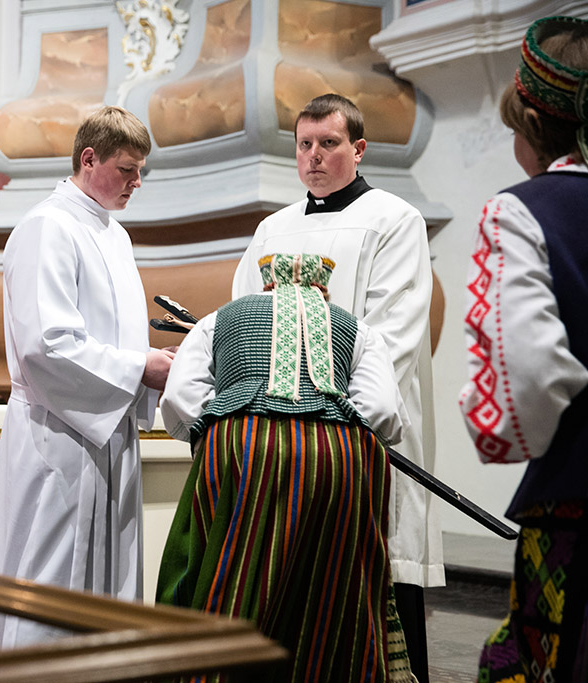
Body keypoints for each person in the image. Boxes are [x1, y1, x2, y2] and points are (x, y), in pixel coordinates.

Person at [230, 93, 441, 682]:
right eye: (305, 145)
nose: (314, 156)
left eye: (329, 143)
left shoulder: (394, 220)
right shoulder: (272, 229)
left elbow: (391, 336)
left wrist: (324, 406)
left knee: (372, 579)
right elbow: (243, 320)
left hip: (358, 434)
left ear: (359, 148)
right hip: (281, 441)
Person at [157, 253, 414, 682]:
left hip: (241, 446)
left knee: (229, 573)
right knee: (332, 585)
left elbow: (181, 399)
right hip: (335, 455)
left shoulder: (219, 319)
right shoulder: (357, 328)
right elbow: (383, 411)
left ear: (267, 282)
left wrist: (216, 431)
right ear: (323, 287)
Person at [0, 105, 175, 649]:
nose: (136, 182)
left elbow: (107, 335)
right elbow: (46, 346)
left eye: (140, 171)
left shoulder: (114, 235)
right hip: (58, 437)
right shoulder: (47, 227)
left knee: (108, 597)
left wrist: (149, 359)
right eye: (126, 169)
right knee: (49, 585)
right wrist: (140, 367)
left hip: (109, 432)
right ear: (88, 159)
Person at [459, 15, 588, 682]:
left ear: (532, 124)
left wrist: (493, 425)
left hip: (574, 499)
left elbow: (529, 376)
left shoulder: (524, 210)